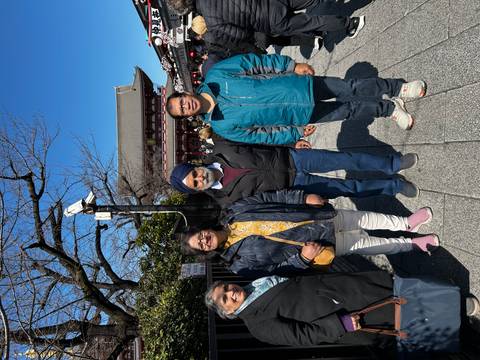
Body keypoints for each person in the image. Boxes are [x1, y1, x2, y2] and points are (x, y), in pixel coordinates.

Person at [166, 53, 426, 145]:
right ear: (188, 116)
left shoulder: (217, 74)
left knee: (351, 87)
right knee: (349, 111)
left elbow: (257, 64)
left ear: (186, 93)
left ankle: (398, 88)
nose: (186, 106)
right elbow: (261, 135)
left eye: (181, 101)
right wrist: (295, 134)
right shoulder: (221, 126)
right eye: (182, 111)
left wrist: (291, 65)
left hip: (297, 86)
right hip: (299, 116)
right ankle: (388, 108)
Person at [179, 189, 439, 278]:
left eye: (199, 236)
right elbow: (275, 271)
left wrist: (303, 197)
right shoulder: (238, 265)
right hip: (318, 243)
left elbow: (272, 197)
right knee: (371, 245)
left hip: (314, 216)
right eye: (200, 245)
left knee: (364, 217)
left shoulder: (234, 212)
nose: (204, 240)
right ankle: (412, 244)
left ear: (203, 229)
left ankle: (406, 223)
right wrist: (302, 260)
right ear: (206, 252)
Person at [205, 272, 480, 347]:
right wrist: (342, 325)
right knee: (402, 314)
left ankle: (454, 304)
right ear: (228, 312)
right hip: (345, 314)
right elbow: (301, 336)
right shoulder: (257, 324)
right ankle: (458, 316)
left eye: (227, 288)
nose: (231, 293)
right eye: (225, 299)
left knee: (397, 291)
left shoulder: (255, 285)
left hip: (338, 288)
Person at [169, 139, 420, 207]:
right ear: (198, 190)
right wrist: (301, 200)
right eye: (196, 184)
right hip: (295, 186)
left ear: (195, 166)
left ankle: (392, 164)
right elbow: (267, 202)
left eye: (195, 174)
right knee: (347, 189)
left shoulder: (222, 147)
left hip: (293, 157)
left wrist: (291, 141)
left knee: (345, 159)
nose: (200, 179)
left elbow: (260, 140)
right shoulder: (226, 199)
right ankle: (393, 187)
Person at [167, 0, 364, 55]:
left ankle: (350, 23)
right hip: (269, 2)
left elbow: (241, 34)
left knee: (311, 23)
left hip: (267, 22)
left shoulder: (213, 24)